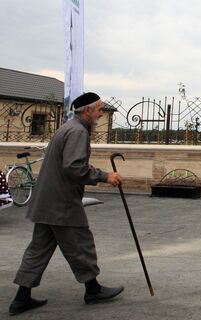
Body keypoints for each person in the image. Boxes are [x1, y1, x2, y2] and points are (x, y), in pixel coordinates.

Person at [9, 92, 124, 316]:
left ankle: (21, 298)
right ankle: (93, 290)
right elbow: (74, 166)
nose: (101, 113)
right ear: (87, 110)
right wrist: (104, 176)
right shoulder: (78, 131)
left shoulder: (69, 127)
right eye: (99, 109)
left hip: (47, 201)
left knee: (38, 251)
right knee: (81, 243)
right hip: (61, 203)